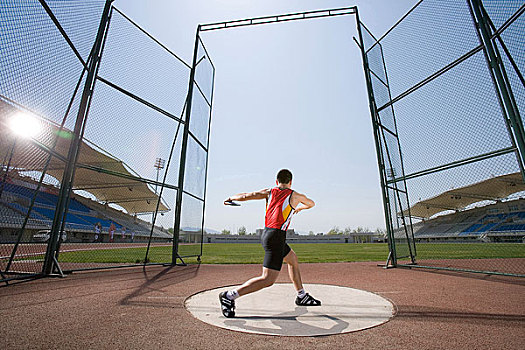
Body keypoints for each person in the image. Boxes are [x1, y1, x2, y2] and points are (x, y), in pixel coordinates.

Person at [219, 169, 321, 318]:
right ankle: (229, 296)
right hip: (276, 238)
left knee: (292, 259)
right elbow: (312, 203)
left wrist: (230, 198)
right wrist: (301, 208)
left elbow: (247, 195)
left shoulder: (269, 192)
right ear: (291, 182)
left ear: (276, 181)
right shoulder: (295, 195)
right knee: (267, 279)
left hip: (267, 234)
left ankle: (301, 295)